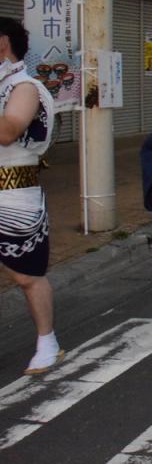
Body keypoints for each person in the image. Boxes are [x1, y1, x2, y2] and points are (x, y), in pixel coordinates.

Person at [0, 18, 60, 375]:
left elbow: (8, 130)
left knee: (26, 276)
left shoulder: (25, 87)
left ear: (3, 43)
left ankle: (47, 340)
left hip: (14, 195)